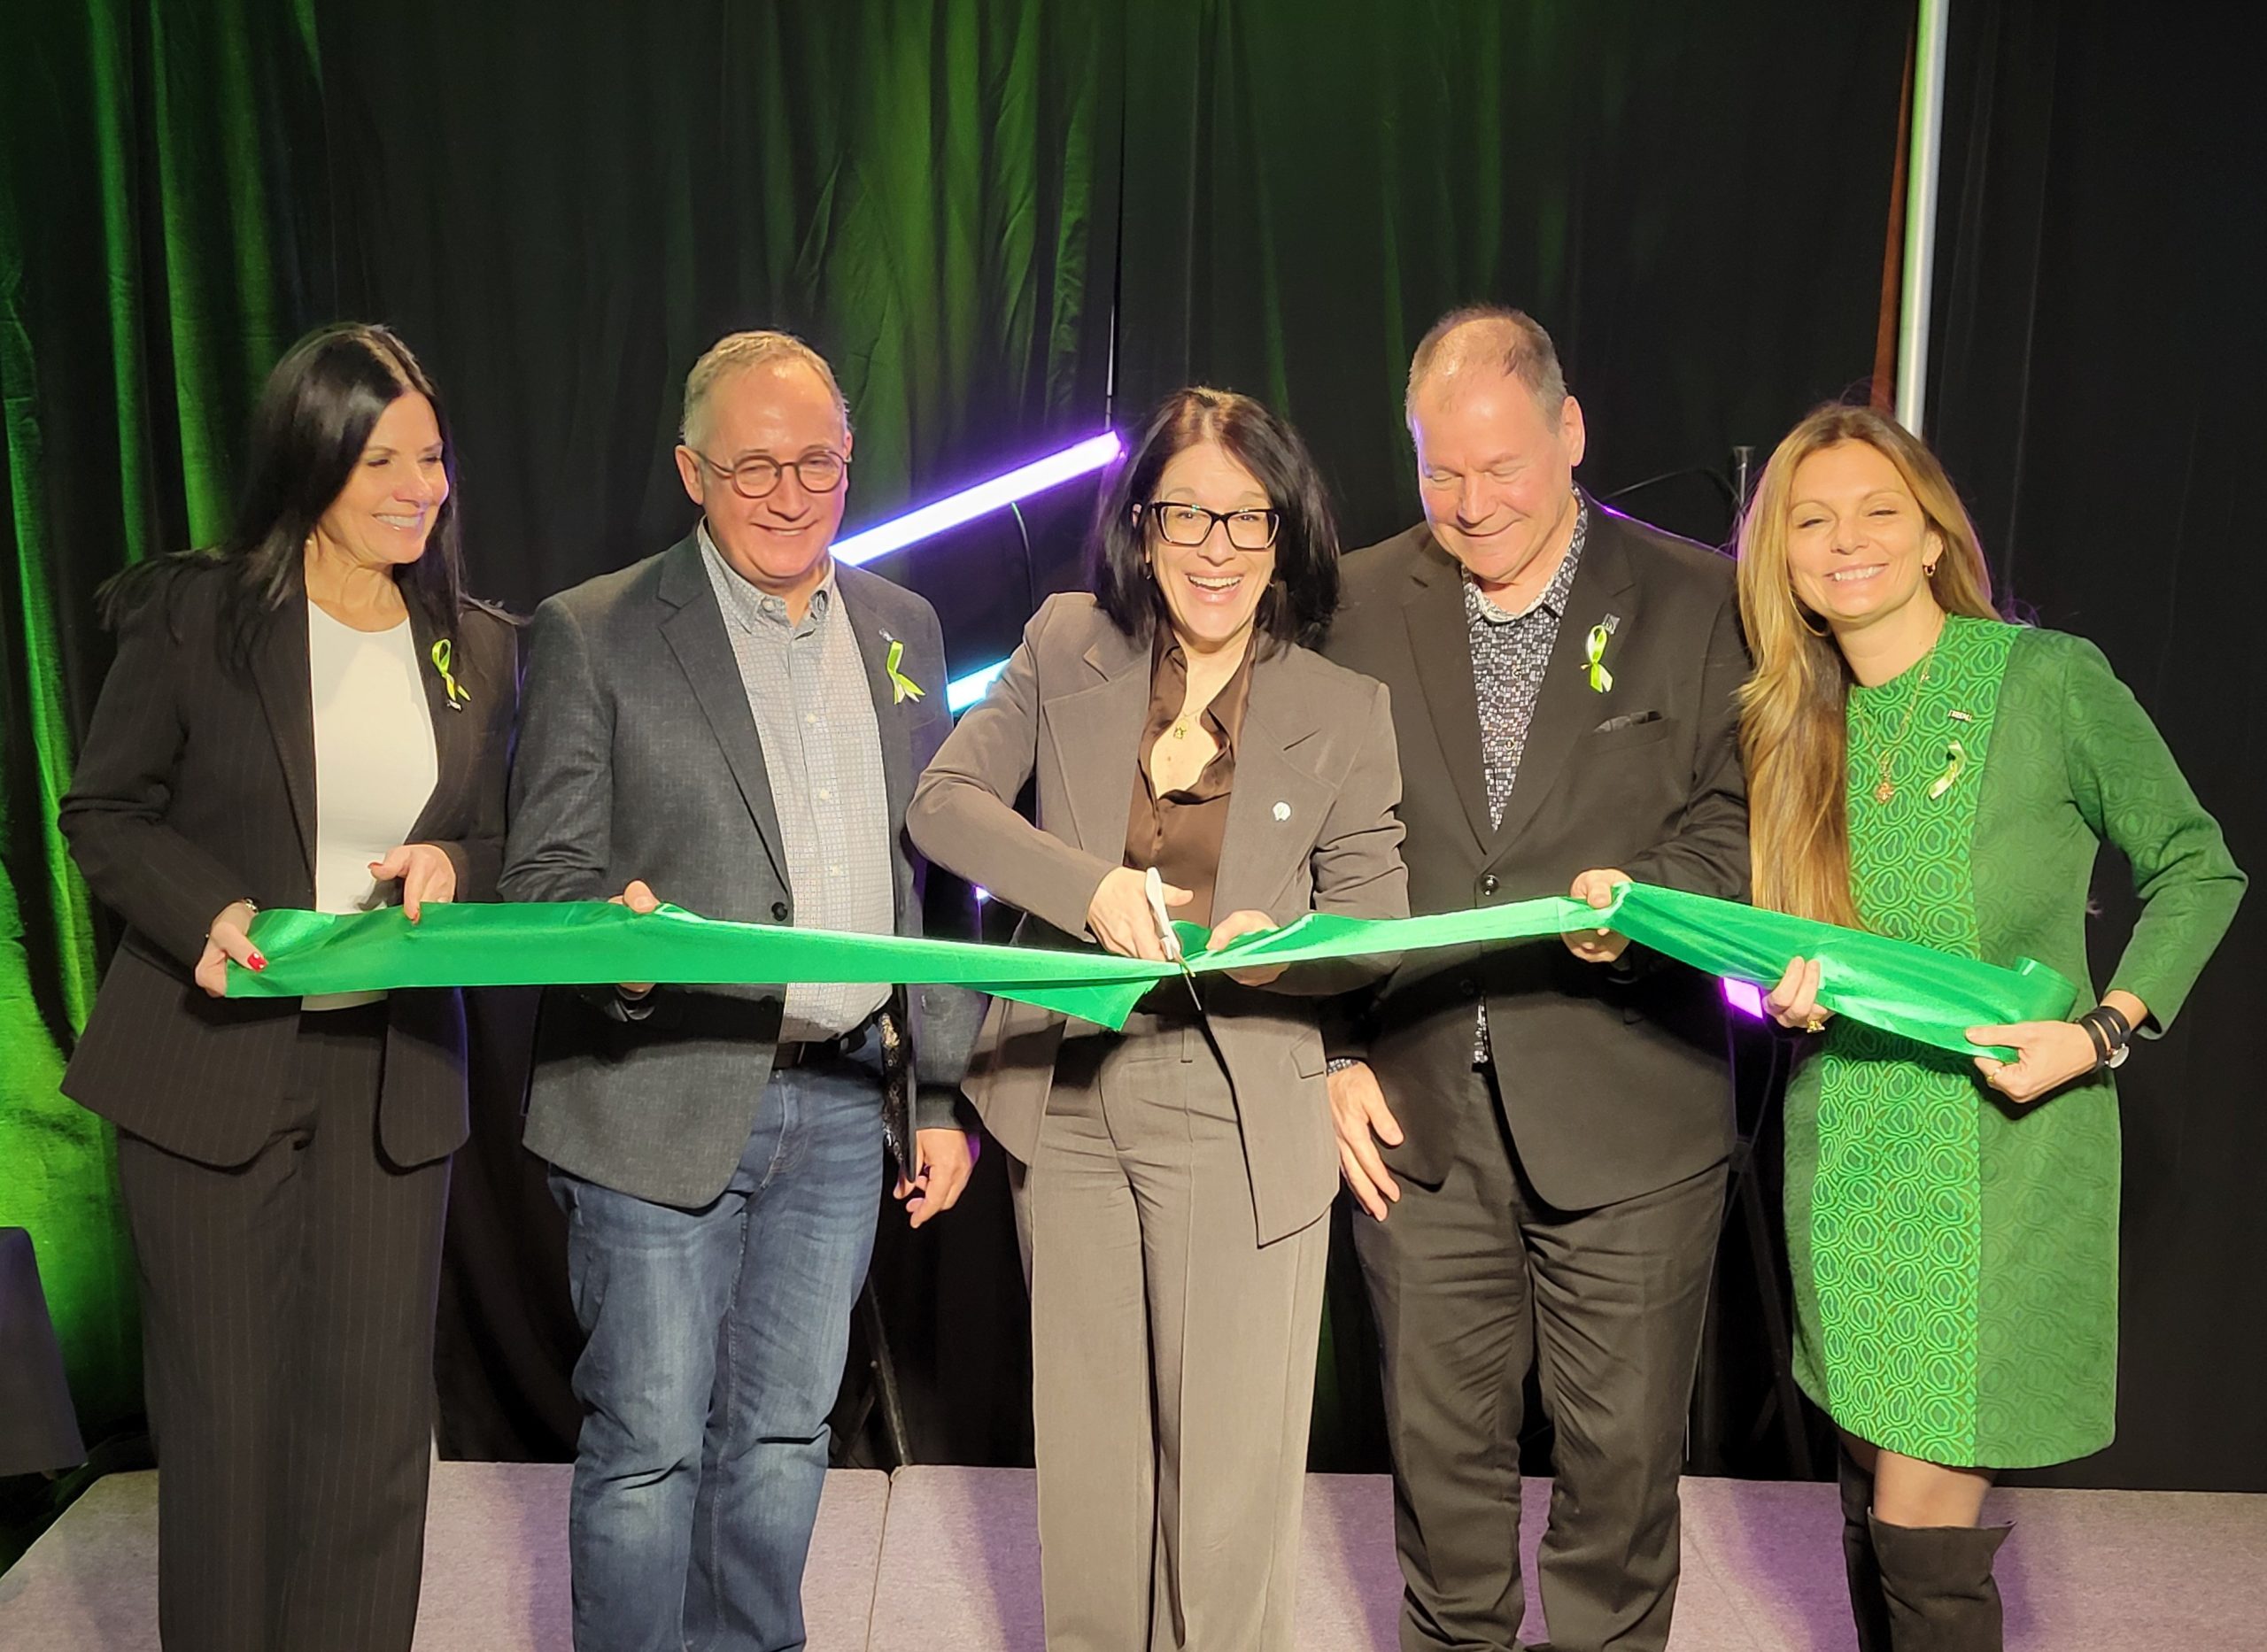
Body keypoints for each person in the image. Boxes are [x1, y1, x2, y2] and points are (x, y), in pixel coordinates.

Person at [501, 329, 981, 1652]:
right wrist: (617, 944)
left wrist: (940, 1094)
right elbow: (543, 878)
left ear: (849, 460)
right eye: (753, 465)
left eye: (815, 460)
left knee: (783, 1435)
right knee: (648, 1443)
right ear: (691, 472)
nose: (788, 492)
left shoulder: (904, 628)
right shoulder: (594, 629)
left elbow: (930, 881)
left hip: (842, 1102)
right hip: (649, 1097)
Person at [1736, 404, 2243, 1650]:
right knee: (1871, 1481)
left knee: (1923, 1517)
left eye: (1878, 512)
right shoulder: (1788, 726)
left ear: (1931, 537)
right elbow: (1777, 958)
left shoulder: (2048, 678)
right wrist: (1773, 994)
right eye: (1812, 520)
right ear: (1781, 559)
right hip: (1849, 1152)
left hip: (2004, 1155)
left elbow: (2199, 866)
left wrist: (2103, 1030)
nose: (1846, 540)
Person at [908, 386, 1408, 1650]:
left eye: (1247, 517)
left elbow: (1373, 925)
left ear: (1286, 533)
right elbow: (944, 804)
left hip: (1238, 1101)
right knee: (1088, 1472)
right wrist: (1086, 888)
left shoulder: (1343, 708)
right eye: (1187, 513)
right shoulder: (1066, 640)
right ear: (1142, 525)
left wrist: (1280, 951)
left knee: (1226, 1493)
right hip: (1067, 1090)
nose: (1216, 547)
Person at [58, 323, 517, 1652]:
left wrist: (457, 863)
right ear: (310, 460)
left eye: (431, 458)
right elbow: (105, 811)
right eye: (382, 462)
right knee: (228, 1436)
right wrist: (205, 907)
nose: (418, 489)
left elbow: (509, 840)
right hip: (208, 1068)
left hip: (390, 1083)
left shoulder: (481, 648)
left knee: (373, 1439)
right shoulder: (196, 615)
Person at [1319, 306, 1751, 1652]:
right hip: (1416, 1116)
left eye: (1500, 468)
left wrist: (1650, 907)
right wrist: (1328, 1051)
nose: (1470, 504)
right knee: (1440, 1479)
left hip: (1635, 1113)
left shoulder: (1703, 601)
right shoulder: (1347, 602)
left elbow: (1752, 820)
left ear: (1570, 434)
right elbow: (1298, 843)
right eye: (1440, 471)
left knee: (1619, 1480)